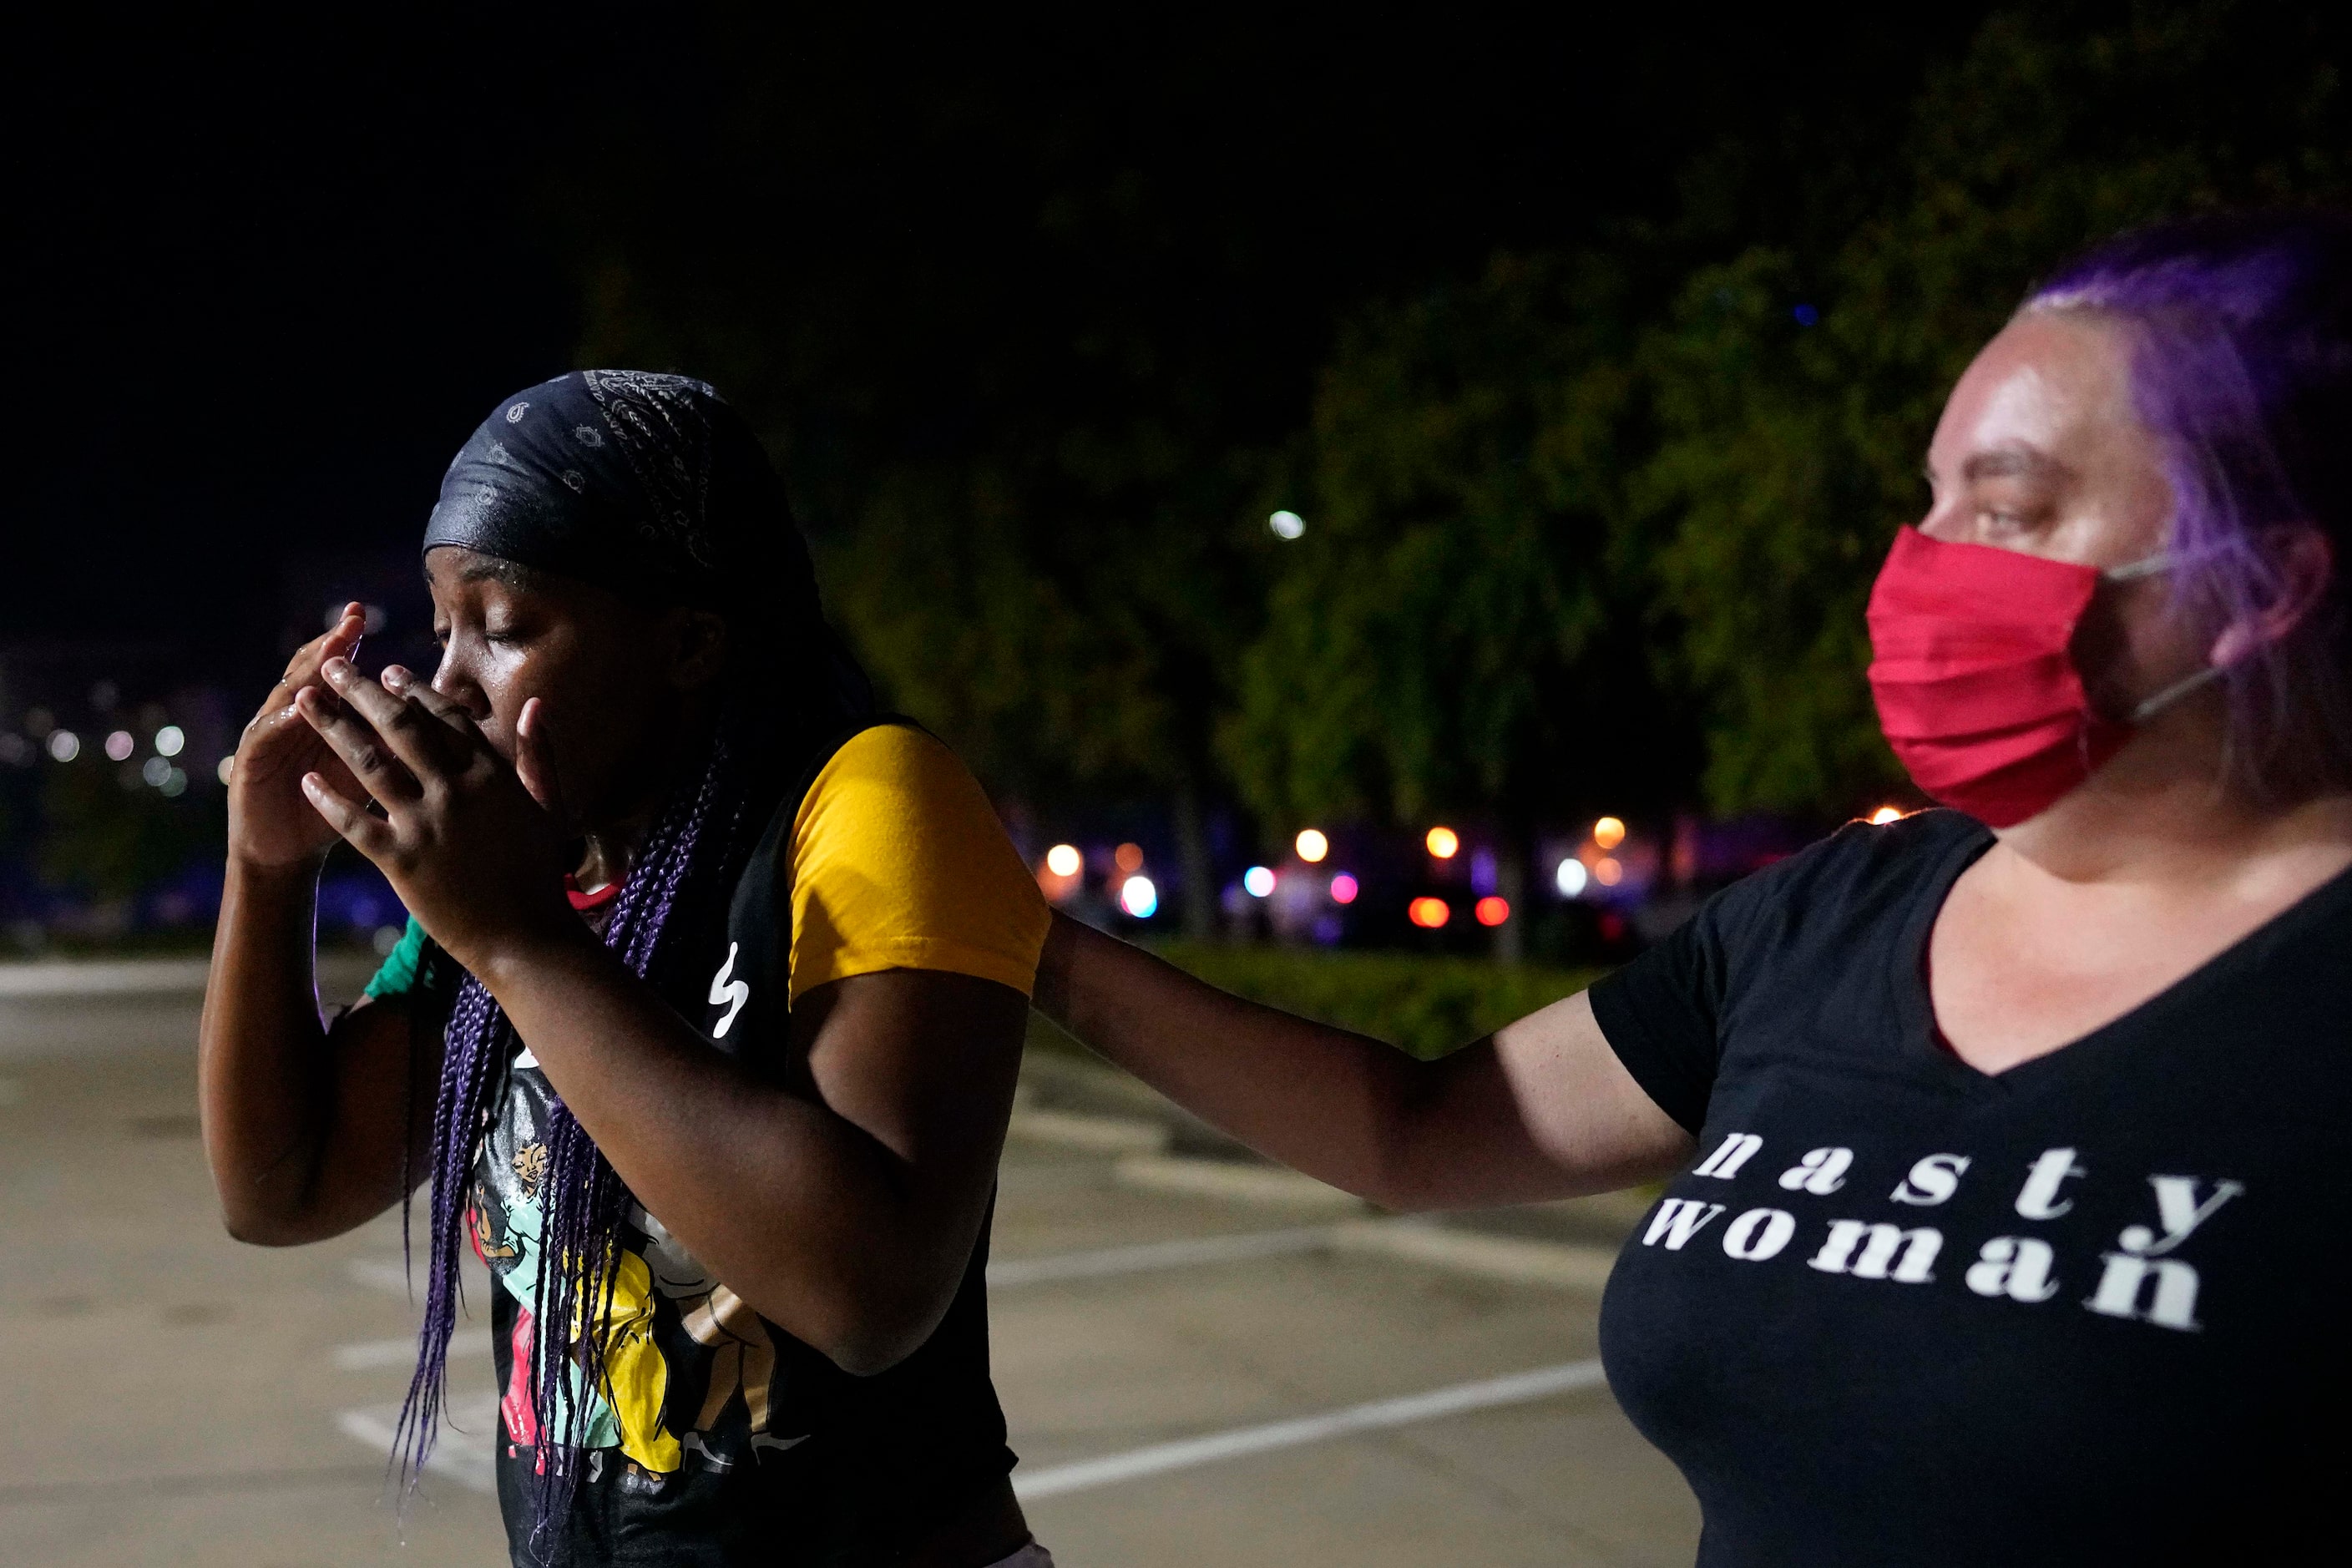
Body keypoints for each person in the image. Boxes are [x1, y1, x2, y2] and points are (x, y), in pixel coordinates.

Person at [1030, 211, 2352, 1562]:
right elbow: (1414, 1131)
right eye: (1930, 497)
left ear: (2265, 582)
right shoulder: (1834, 911)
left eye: (2003, 509)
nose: (1919, 561)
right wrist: (1029, 950)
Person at [198, 372, 1055, 1567]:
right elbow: (278, 1189)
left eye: (500, 627)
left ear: (688, 642)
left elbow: (868, 1293)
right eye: (441, 625)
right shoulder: (516, 877)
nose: (447, 683)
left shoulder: (862, 806)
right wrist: (266, 864)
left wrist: (511, 942)